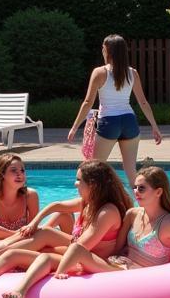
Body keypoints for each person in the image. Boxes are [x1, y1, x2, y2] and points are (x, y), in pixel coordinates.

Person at [0, 160, 131, 298]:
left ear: (93, 185)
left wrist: (52, 258)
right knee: (21, 250)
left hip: (90, 260)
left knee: (43, 250)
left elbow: (81, 247)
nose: (75, 183)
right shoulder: (88, 202)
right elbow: (55, 206)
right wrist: (35, 223)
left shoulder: (107, 212)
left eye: (79, 180)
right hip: (79, 253)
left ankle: (8, 277)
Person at [50, 166, 170, 282]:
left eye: (141, 188)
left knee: (76, 250)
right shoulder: (132, 214)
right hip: (116, 265)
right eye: (134, 187)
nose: (136, 192)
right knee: (52, 251)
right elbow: (118, 249)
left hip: (133, 278)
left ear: (158, 192)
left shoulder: (169, 223)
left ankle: (55, 281)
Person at [68, 35, 162, 191]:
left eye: (103, 49)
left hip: (109, 123)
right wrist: (155, 127)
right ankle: (144, 206)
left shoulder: (99, 72)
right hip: (129, 122)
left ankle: (91, 207)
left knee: (94, 170)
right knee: (131, 171)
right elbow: (143, 102)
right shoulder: (132, 73)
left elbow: (87, 103)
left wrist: (74, 127)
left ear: (108, 51)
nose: (102, 52)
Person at [0, 154, 40, 239]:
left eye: (22, 171)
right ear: (2, 174)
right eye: (13, 170)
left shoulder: (30, 196)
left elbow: (34, 231)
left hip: (23, 245)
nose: (19, 174)